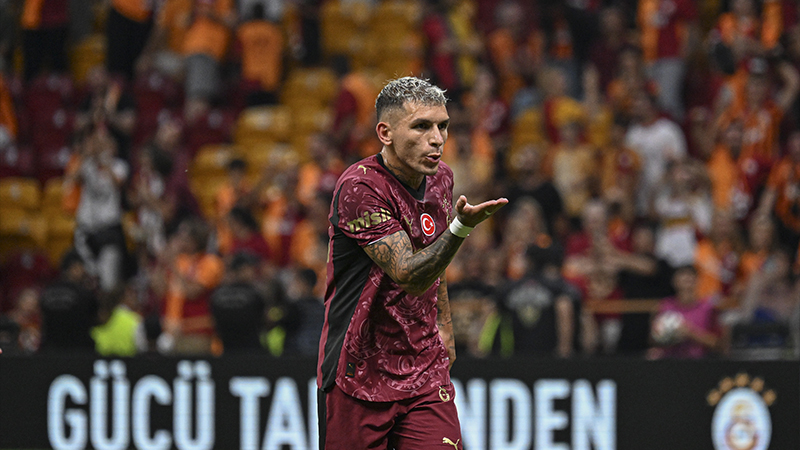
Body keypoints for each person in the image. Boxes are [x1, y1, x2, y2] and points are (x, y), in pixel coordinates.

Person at [317, 77, 507, 450]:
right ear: (385, 133)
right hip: (359, 370)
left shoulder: (441, 179)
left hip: (424, 367)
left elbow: (435, 258)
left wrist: (444, 325)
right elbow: (409, 273)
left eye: (442, 126)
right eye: (421, 127)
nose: (437, 139)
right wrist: (461, 228)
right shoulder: (360, 188)